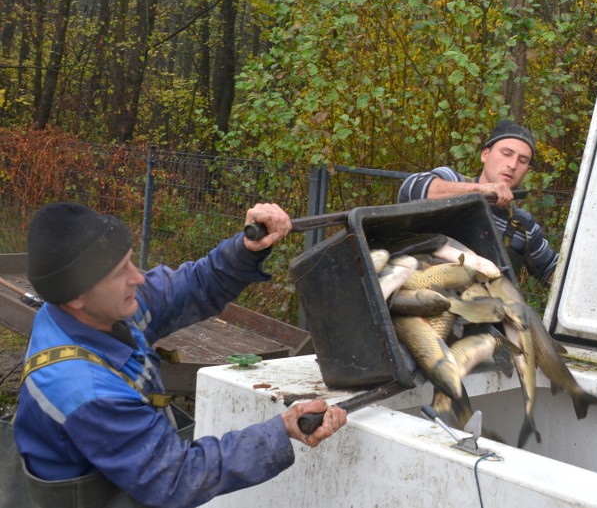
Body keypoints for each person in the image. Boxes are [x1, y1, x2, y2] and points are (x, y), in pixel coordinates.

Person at [13, 202, 347, 508]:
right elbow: (175, 477)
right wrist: (282, 429)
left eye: (130, 260)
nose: (138, 277)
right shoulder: (84, 391)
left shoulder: (95, 311)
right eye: (119, 274)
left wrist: (245, 250)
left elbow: (193, 285)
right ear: (76, 298)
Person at [397, 119, 557, 285]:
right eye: (506, 154)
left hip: (483, 307)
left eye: (522, 161)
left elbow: (551, 270)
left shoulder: (524, 226)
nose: (512, 164)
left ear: (527, 171)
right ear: (485, 154)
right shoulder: (451, 179)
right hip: (423, 294)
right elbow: (411, 190)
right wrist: (481, 191)